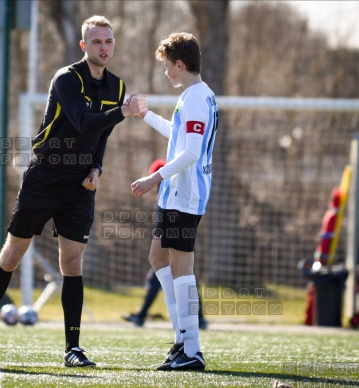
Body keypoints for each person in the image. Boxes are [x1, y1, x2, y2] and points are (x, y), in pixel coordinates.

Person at [0, 15, 146, 367]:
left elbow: (100, 135)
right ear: (83, 46)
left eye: (109, 41)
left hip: (79, 185)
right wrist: (123, 112)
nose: (104, 47)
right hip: (45, 174)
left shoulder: (117, 87)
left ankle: (72, 349)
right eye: (97, 42)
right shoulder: (66, 79)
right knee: (13, 253)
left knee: (72, 262)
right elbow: (83, 122)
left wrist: (97, 167)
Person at [131, 32, 218, 371]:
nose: (166, 73)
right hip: (176, 195)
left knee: (182, 269)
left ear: (180, 65)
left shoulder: (197, 98)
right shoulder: (194, 95)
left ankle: (191, 348)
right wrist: (147, 115)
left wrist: (155, 177)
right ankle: (182, 338)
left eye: (168, 67)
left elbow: (192, 153)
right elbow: (180, 136)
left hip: (186, 195)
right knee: (158, 258)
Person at [122, 159, 208, 329]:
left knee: (174, 276)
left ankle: (145, 315)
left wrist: (165, 250)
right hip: (171, 243)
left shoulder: (169, 200)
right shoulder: (169, 197)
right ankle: (198, 318)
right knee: (185, 277)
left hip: (170, 246)